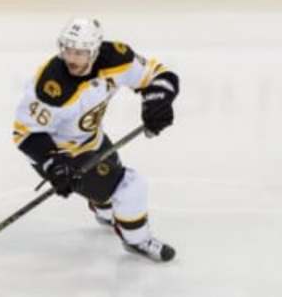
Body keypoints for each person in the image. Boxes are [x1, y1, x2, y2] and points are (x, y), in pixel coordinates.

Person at [12, 18, 179, 262]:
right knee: (130, 186)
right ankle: (137, 240)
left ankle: (104, 210)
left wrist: (158, 101)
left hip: (92, 138)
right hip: (62, 155)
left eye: (79, 53)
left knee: (111, 175)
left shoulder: (116, 58)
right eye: (67, 50)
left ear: (95, 50)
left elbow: (158, 74)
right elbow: (25, 134)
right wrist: (53, 165)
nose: (71, 59)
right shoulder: (52, 86)